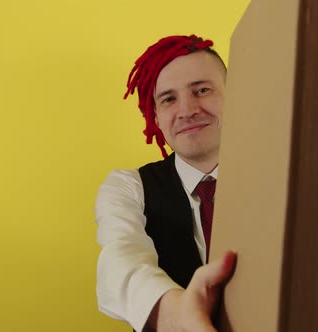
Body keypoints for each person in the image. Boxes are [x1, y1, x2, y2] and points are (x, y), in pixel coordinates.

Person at [95, 34, 236, 332]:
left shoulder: (283, 175)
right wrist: (179, 314)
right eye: (169, 99)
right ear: (155, 117)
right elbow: (120, 263)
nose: (187, 110)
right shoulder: (128, 188)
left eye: (202, 90)